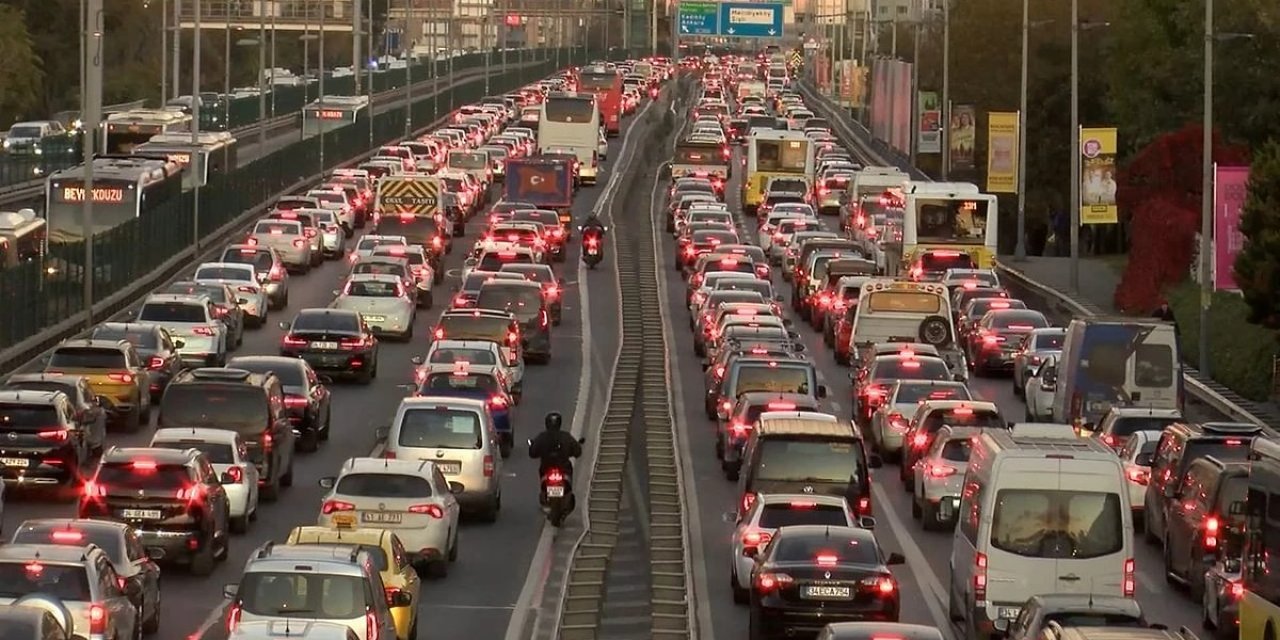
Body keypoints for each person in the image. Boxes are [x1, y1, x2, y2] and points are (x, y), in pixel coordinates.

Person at [528, 412, 583, 480]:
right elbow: (577, 451)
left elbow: (533, 453)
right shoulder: (566, 437)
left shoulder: (542, 437)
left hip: (546, 469)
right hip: (564, 470)